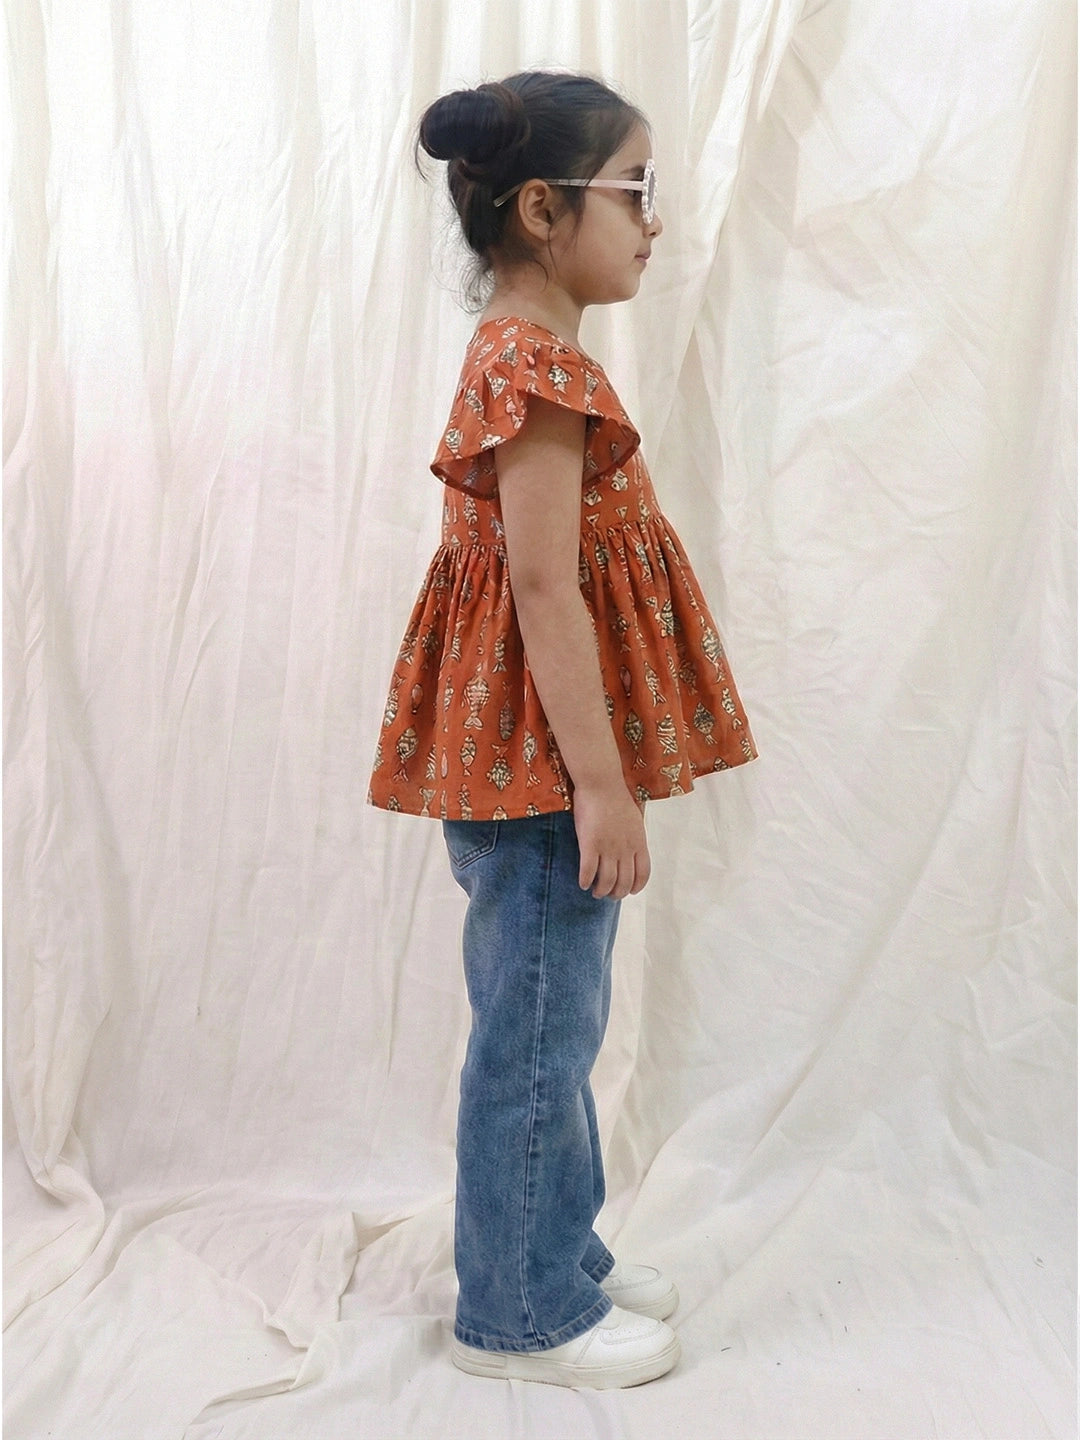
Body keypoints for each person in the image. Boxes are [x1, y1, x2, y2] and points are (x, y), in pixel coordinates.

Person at [368, 69, 757, 1389]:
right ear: (542, 210)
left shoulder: (530, 358)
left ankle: (555, 1251)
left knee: (551, 1025)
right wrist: (602, 784)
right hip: (540, 775)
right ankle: (520, 1314)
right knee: (536, 1038)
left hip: (526, 761)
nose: (656, 221)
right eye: (635, 191)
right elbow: (542, 587)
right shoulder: (532, 371)